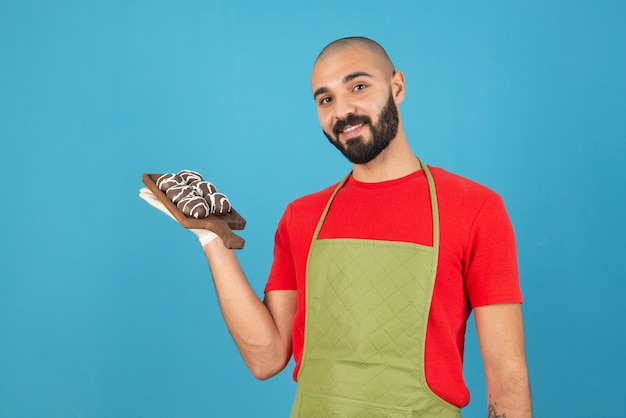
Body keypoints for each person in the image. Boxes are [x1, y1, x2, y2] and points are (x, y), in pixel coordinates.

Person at [140, 37, 532, 417]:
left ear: (397, 87)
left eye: (358, 86)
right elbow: (267, 358)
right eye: (326, 99)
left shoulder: (475, 208)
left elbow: (505, 372)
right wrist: (213, 240)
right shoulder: (302, 216)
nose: (342, 111)